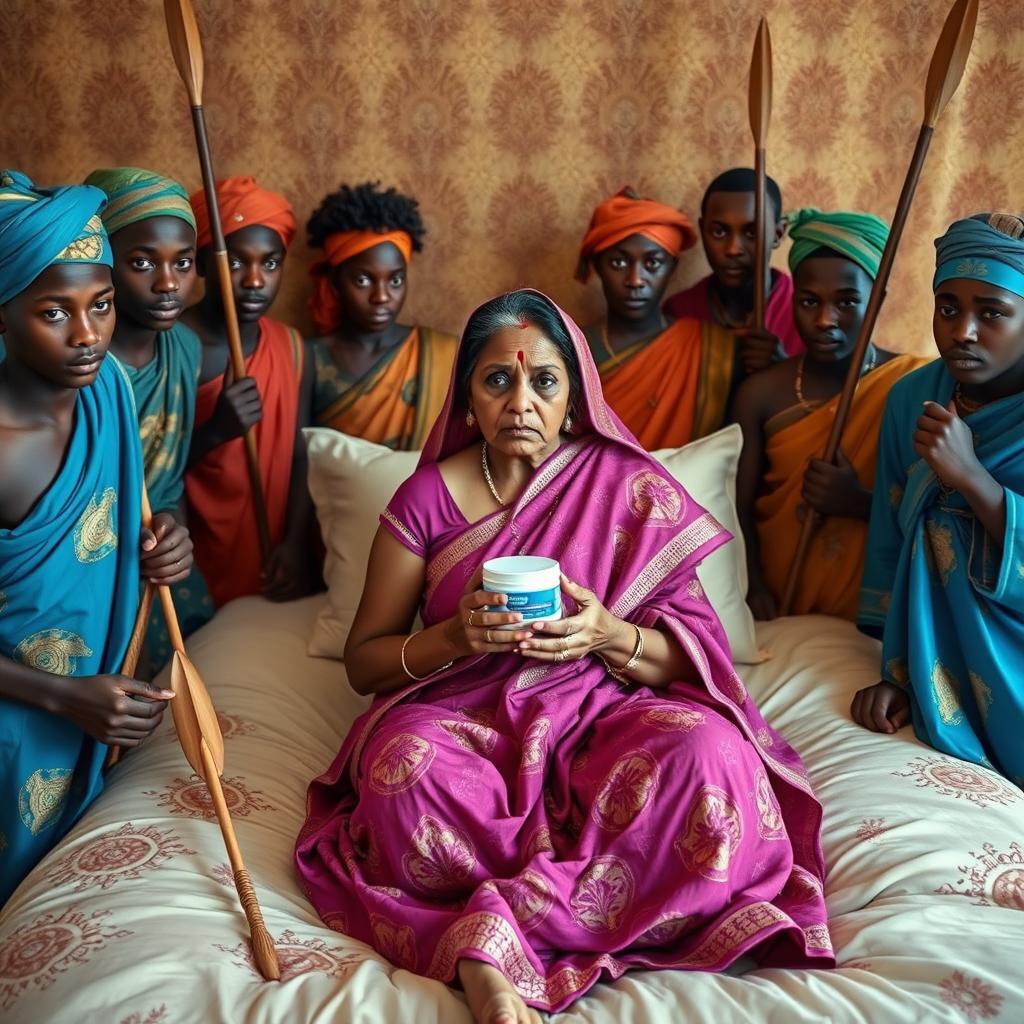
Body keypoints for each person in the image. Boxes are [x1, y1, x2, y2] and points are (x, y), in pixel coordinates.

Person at [296, 290, 832, 1023]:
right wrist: (454, 638)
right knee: (401, 770)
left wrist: (607, 633)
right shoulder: (426, 498)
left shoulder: (627, 486)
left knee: (711, 755)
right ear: (468, 397)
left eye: (544, 381)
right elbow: (367, 661)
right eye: (498, 380)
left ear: (575, 396)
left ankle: (489, 939)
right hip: (468, 717)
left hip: (607, 712)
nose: (521, 400)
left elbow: (696, 659)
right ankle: (524, 934)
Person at [0, 171, 193, 902]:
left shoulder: (107, 388)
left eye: (102, 305)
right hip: (22, 721)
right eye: (54, 311)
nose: (87, 335)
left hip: (93, 711)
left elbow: (131, 514)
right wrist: (63, 697)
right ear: (2, 316)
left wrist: (168, 541)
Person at [853, 213, 1024, 784]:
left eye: (992, 313)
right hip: (934, 638)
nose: (963, 331)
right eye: (948, 307)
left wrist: (972, 477)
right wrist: (898, 671)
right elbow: (891, 533)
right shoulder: (911, 398)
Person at [733, 209, 931, 621]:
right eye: (809, 302)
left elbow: (938, 517)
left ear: (878, 301)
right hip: (778, 607)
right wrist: (751, 586)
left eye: (847, 302)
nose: (825, 320)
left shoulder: (913, 385)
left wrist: (858, 502)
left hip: (874, 613)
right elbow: (735, 508)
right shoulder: (761, 393)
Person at [84, 166, 211, 668]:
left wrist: (173, 529)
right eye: (142, 263)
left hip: (151, 572)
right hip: (81, 572)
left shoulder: (184, 350)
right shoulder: (72, 360)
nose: (168, 284)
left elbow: (167, 488)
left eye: (183, 263)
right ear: (103, 263)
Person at [184, 176, 315, 607]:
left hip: (268, 553)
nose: (255, 280)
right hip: (190, 559)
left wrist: (295, 544)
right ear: (202, 263)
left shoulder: (293, 348)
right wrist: (216, 431)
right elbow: (142, 472)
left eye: (271, 263)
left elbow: (300, 455)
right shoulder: (171, 347)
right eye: (236, 263)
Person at [578, 186, 734, 449]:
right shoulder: (571, 350)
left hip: (686, 489)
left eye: (652, 263)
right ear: (597, 266)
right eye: (618, 263)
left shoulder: (711, 348)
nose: (635, 280)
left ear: (672, 268)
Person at [306, 181, 458, 449]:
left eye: (395, 281)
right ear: (334, 284)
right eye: (363, 281)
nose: (382, 297)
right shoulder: (308, 358)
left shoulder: (443, 354)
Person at [664, 168, 802, 376]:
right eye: (719, 232)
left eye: (751, 232)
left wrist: (783, 371)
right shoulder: (680, 311)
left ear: (778, 233)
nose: (733, 249)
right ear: (703, 230)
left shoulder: (805, 311)